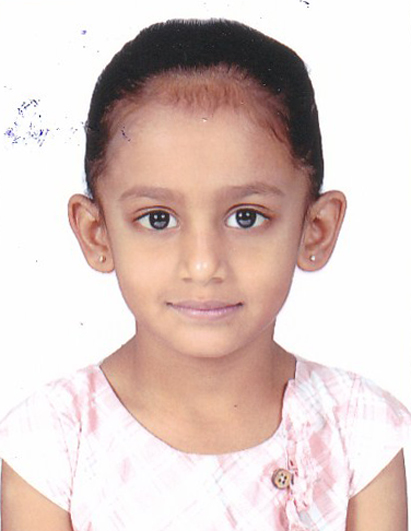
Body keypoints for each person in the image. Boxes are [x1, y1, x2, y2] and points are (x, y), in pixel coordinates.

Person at [0, 19, 409, 531]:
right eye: (157, 219)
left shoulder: (359, 431)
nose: (202, 264)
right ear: (96, 234)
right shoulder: (53, 442)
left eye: (246, 217)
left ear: (316, 229)